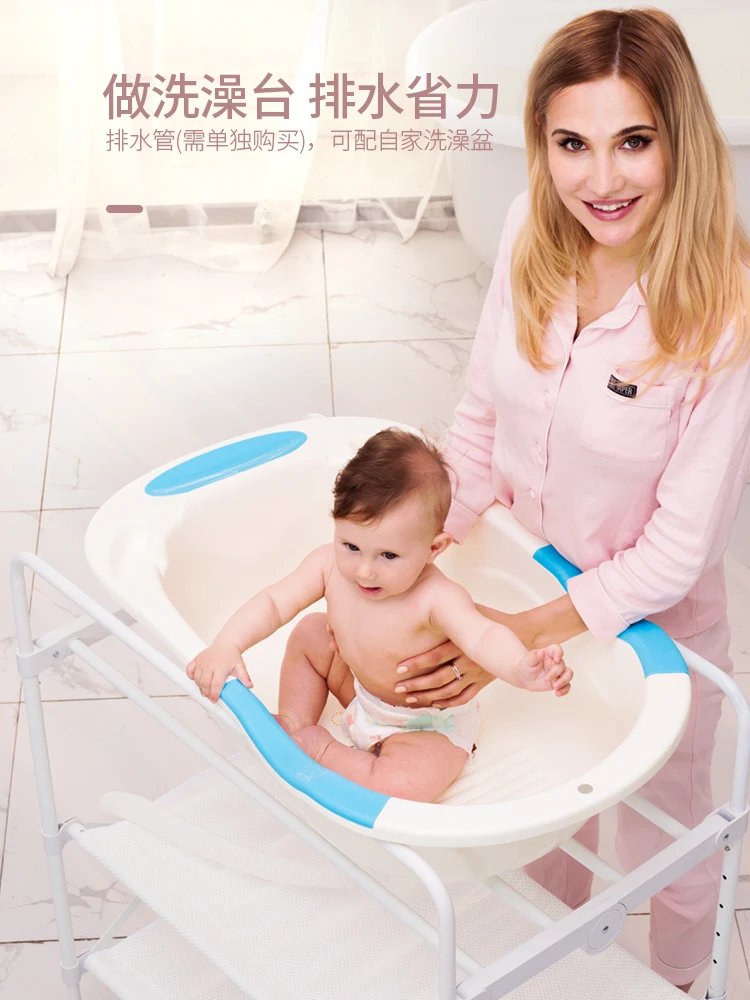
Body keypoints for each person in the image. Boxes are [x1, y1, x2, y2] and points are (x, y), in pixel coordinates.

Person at [289, 6, 750, 993]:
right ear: (541, 146)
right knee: (545, 819)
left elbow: (678, 551)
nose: (602, 179)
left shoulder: (724, 311)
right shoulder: (529, 232)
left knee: (669, 835)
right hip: (522, 586)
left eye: (634, 141)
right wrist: (414, 559)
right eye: (572, 144)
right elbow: (480, 423)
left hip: (649, 634)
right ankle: (551, 966)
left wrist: (514, 633)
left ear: (680, 139)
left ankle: (682, 980)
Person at [186, 428, 573, 803]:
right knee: (311, 632)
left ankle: (320, 750)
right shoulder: (328, 565)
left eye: (388, 555)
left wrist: (520, 668)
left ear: (434, 548)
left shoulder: (436, 597)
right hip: (362, 693)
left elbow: (484, 636)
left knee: (404, 786)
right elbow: (274, 602)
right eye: (351, 545)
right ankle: (293, 722)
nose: (364, 571)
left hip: (425, 726)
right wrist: (227, 645)